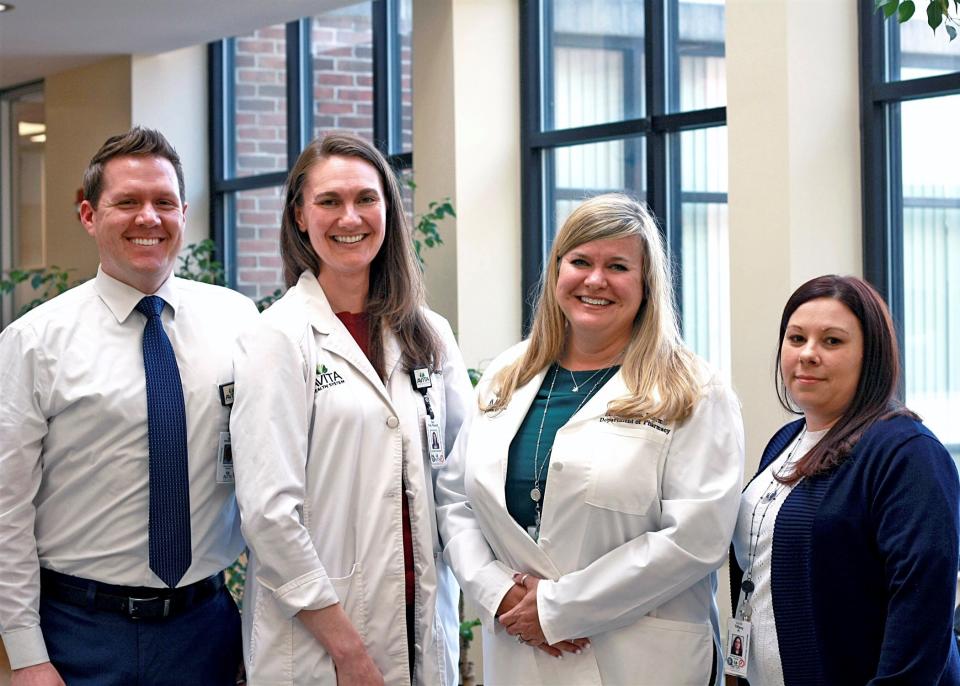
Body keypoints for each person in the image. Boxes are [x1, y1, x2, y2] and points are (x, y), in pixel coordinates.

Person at [435, 193, 745, 685]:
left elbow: (696, 538)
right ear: (558, 271)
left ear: (646, 284)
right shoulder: (505, 377)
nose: (595, 280)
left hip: (641, 659)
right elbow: (455, 500)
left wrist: (559, 609)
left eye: (618, 266)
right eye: (580, 261)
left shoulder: (694, 391)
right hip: (519, 654)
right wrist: (496, 590)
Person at [0, 127, 257, 685]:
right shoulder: (34, 342)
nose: (149, 217)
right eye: (128, 202)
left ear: (184, 213)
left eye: (164, 202)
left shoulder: (238, 321)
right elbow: (6, 511)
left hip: (207, 627)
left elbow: (271, 472)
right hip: (78, 634)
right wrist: (25, 656)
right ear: (90, 216)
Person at [231, 132, 473, 685]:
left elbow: (461, 481)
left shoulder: (429, 334)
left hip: (422, 627)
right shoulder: (278, 337)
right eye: (329, 201)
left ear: (388, 208)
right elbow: (270, 516)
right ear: (299, 217)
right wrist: (348, 650)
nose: (351, 217)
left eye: (367, 198)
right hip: (323, 646)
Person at [730, 275, 960, 685]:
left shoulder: (906, 450)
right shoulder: (785, 440)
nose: (808, 354)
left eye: (832, 341)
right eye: (796, 338)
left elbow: (921, 605)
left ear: (869, 356)